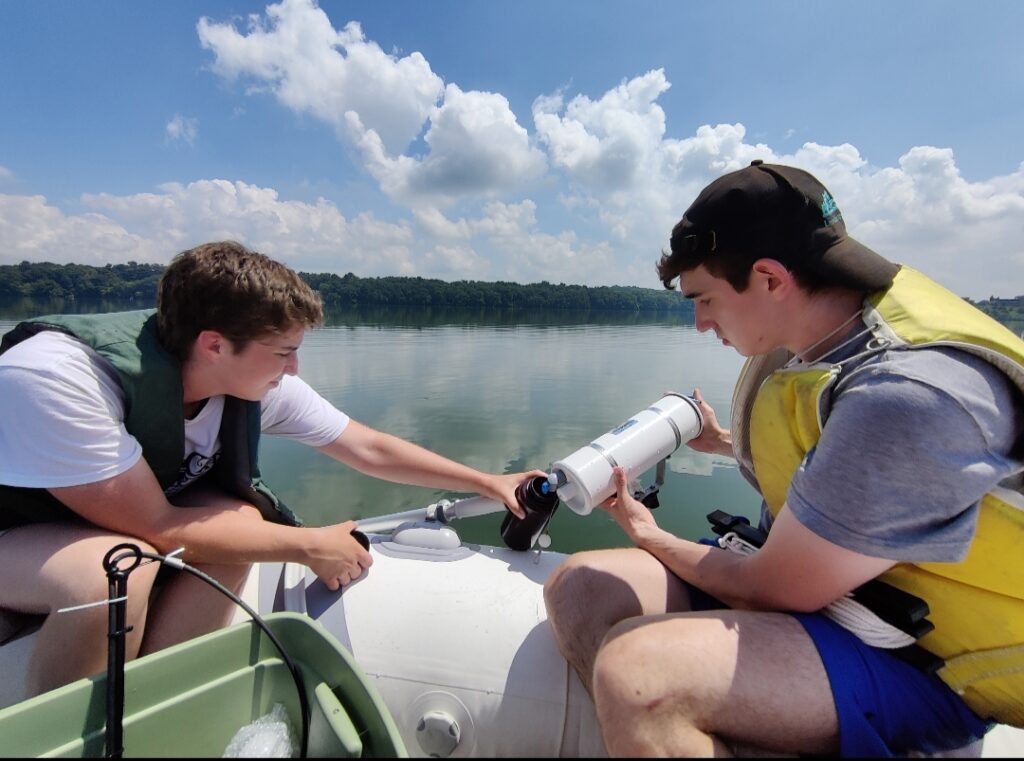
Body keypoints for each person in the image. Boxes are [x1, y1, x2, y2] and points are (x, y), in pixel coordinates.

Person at [543, 161, 1024, 757]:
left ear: (770, 277)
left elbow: (775, 589)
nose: (699, 323)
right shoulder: (828, 336)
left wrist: (651, 534)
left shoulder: (906, 396)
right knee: (579, 587)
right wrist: (724, 443)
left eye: (705, 299)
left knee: (637, 677)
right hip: (843, 600)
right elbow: (846, 476)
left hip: (917, 658)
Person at [0, 240, 542, 700]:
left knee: (236, 516)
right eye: (285, 352)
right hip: (16, 532)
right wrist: (307, 543)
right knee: (114, 572)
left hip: (109, 522)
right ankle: (66, 741)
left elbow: (365, 447)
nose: (295, 368)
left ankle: (156, 701)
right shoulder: (58, 378)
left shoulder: (247, 379)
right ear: (214, 344)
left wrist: (485, 481)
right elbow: (157, 528)